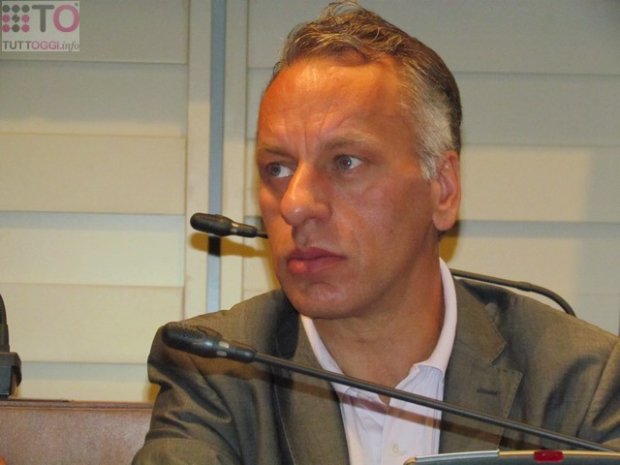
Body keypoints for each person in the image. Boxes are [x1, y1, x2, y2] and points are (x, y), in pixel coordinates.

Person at [133, 2, 620, 464]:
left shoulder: (578, 381)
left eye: (345, 162)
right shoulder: (216, 369)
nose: (295, 205)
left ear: (443, 189)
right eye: (277, 168)